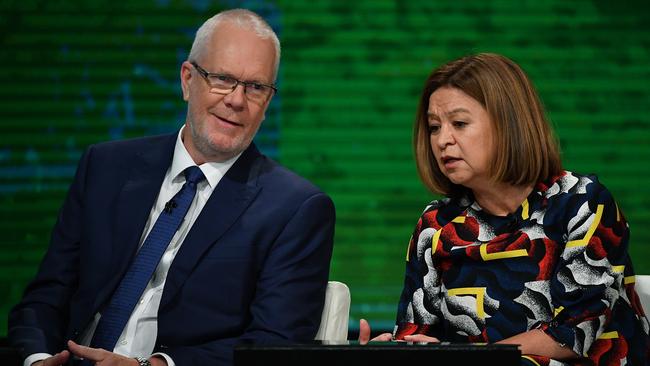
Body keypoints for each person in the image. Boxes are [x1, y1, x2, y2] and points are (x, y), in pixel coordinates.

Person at [8, 8, 335, 366]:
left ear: (268, 102)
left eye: (255, 87)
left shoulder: (296, 209)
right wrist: (38, 359)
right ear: (187, 79)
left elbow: (273, 344)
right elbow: (46, 297)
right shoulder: (105, 167)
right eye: (222, 78)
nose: (236, 100)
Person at [359, 53, 649, 365]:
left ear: (508, 123)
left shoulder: (583, 203)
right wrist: (388, 353)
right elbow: (418, 334)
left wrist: (469, 358)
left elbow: (575, 333)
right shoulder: (436, 225)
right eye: (433, 127)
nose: (443, 140)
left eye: (459, 123)